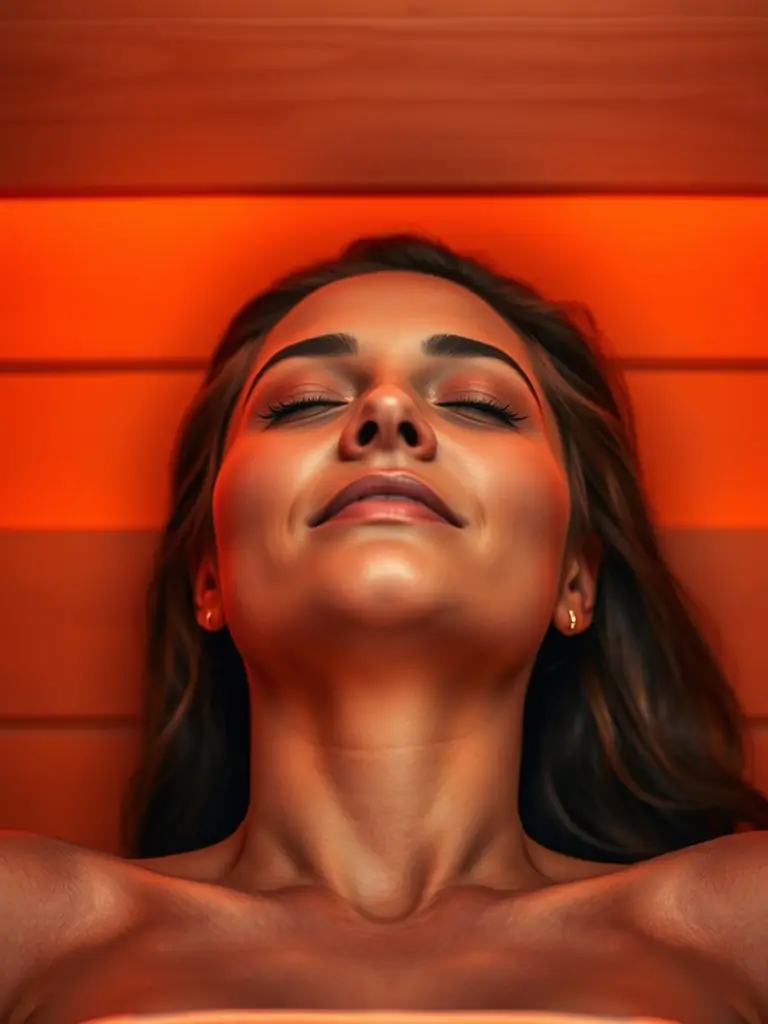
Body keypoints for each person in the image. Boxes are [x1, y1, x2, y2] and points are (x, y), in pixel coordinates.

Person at [1, 234, 768, 1024]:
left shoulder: (744, 925)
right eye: (303, 402)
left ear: (576, 576)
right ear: (210, 575)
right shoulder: (25, 927)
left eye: (477, 402)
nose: (388, 411)